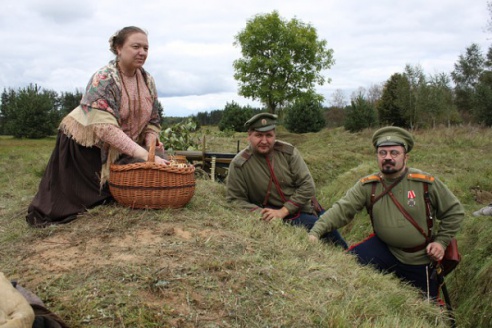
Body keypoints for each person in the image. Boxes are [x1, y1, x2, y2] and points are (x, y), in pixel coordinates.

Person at [26, 26, 169, 228]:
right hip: (85, 146)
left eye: (146, 48)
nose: (142, 52)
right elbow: (104, 128)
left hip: (121, 144)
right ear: (119, 48)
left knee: (161, 161)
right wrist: (144, 154)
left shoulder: (147, 80)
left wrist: (151, 144)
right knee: (72, 204)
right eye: (136, 46)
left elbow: (153, 119)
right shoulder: (104, 78)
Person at [308, 126, 464, 299]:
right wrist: (316, 232)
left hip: (419, 257)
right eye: (382, 153)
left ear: (406, 156)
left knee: (425, 308)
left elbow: (454, 211)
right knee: (347, 269)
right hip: (383, 248)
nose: (388, 157)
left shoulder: (425, 183)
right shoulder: (369, 185)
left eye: (394, 153)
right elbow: (342, 209)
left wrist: (441, 243)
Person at [226, 113, 347, 248]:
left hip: (303, 207)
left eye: (269, 135)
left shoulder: (288, 152)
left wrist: (283, 211)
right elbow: (235, 200)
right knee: (320, 229)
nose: (264, 141)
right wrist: (264, 214)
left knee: (334, 233)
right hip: (277, 215)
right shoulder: (239, 164)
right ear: (249, 136)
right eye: (259, 135)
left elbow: (307, 185)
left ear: (275, 136)